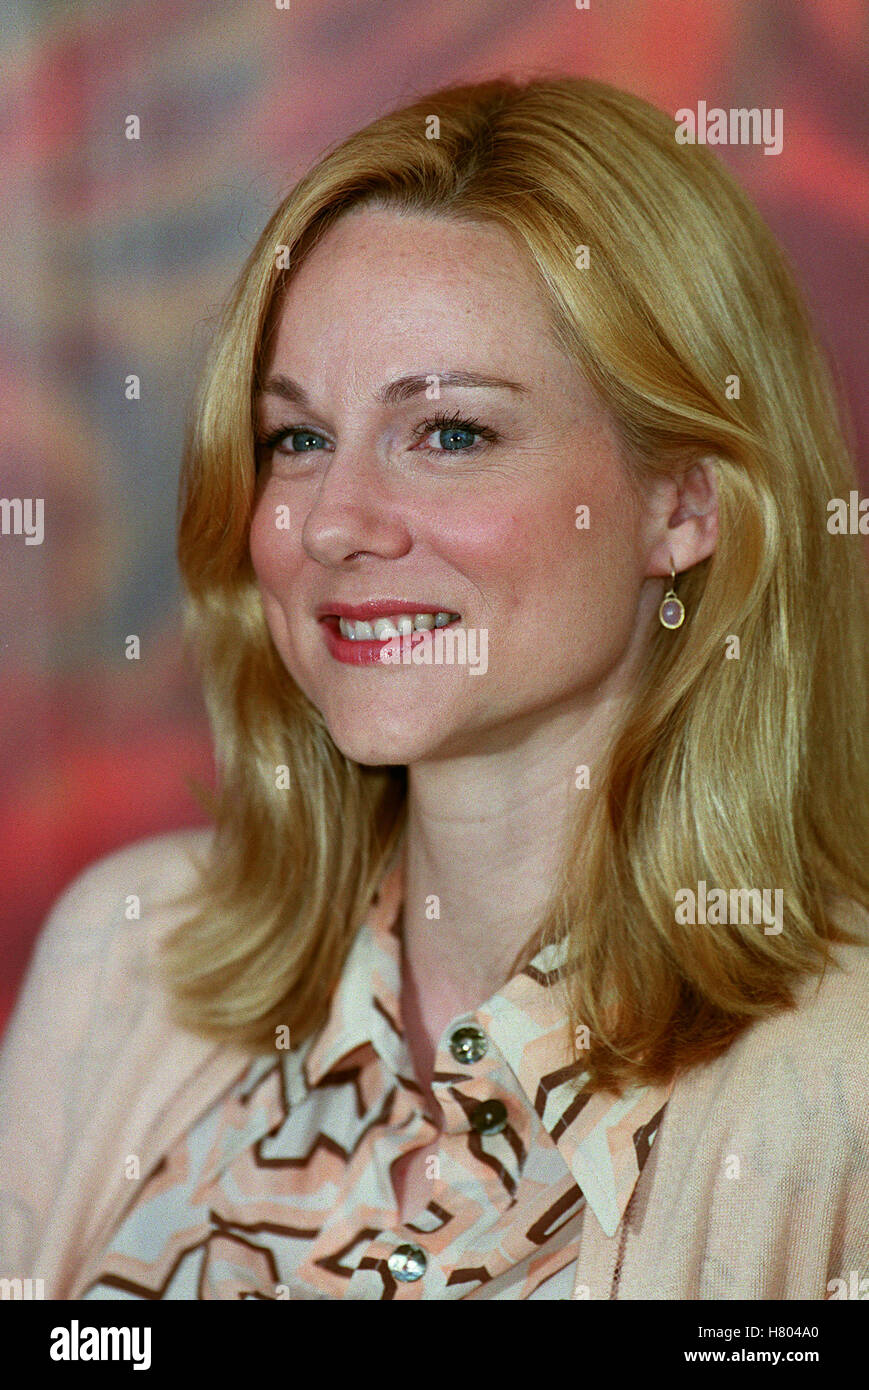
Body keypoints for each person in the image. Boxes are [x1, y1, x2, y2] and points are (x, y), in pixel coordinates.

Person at [1, 75, 867, 1301]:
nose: (333, 522)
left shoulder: (843, 1091)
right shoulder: (125, 962)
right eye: (295, 438)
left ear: (683, 506)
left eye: (449, 433)